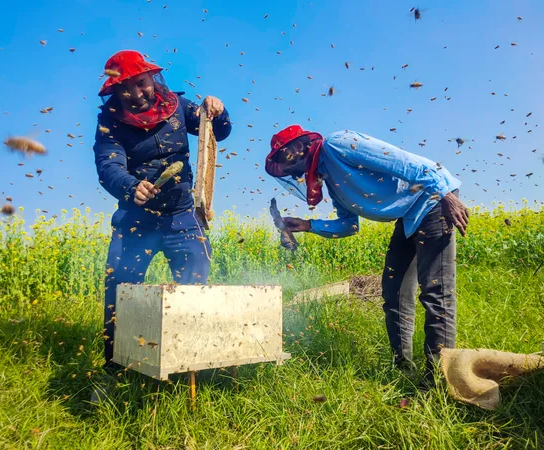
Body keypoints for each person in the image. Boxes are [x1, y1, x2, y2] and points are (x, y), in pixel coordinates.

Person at [264, 125, 469, 383]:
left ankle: (439, 380)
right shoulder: (332, 182)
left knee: (436, 292)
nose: (292, 173)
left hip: (433, 200)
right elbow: (349, 225)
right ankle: (403, 371)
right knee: (394, 293)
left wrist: (446, 194)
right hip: (408, 217)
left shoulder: (339, 144)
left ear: (299, 149)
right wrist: (308, 225)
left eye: (288, 163)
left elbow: (404, 163)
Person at [93, 50, 232, 374]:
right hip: (135, 219)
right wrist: (130, 186)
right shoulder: (109, 122)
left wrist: (219, 111)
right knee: (121, 291)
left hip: (182, 217)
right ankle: (115, 369)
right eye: (126, 89)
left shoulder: (178, 106)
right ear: (115, 91)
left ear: (152, 79)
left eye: (141, 84)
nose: (136, 94)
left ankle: (190, 364)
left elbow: (218, 132)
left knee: (194, 289)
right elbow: (108, 165)